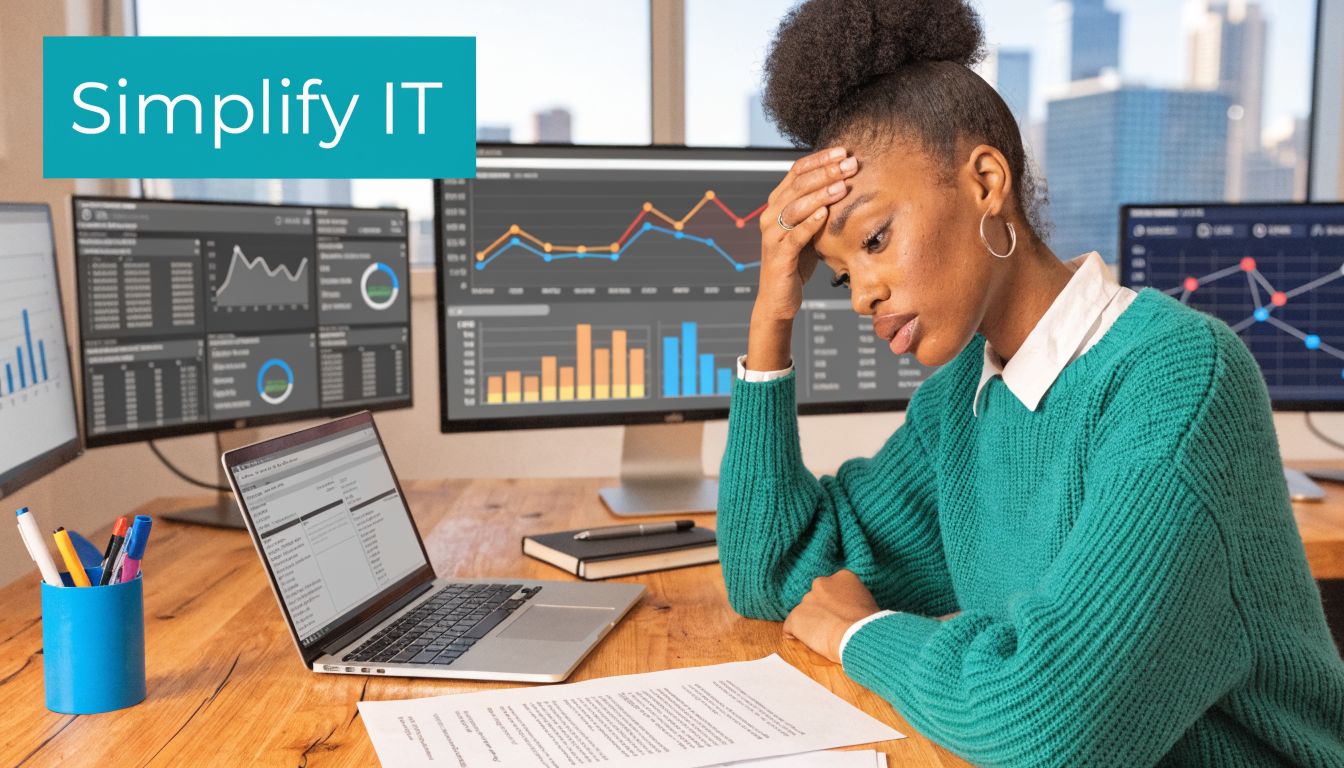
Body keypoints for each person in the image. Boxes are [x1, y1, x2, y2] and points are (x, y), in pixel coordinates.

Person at [715, 0, 1344, 765]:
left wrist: (861, 634)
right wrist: (771, 314)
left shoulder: (1179, 382)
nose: (862, 295)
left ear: (986, 181)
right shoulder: (964, 402)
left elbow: (1054, 726)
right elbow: (778, 573)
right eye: (841, 274)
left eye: (877, 239)